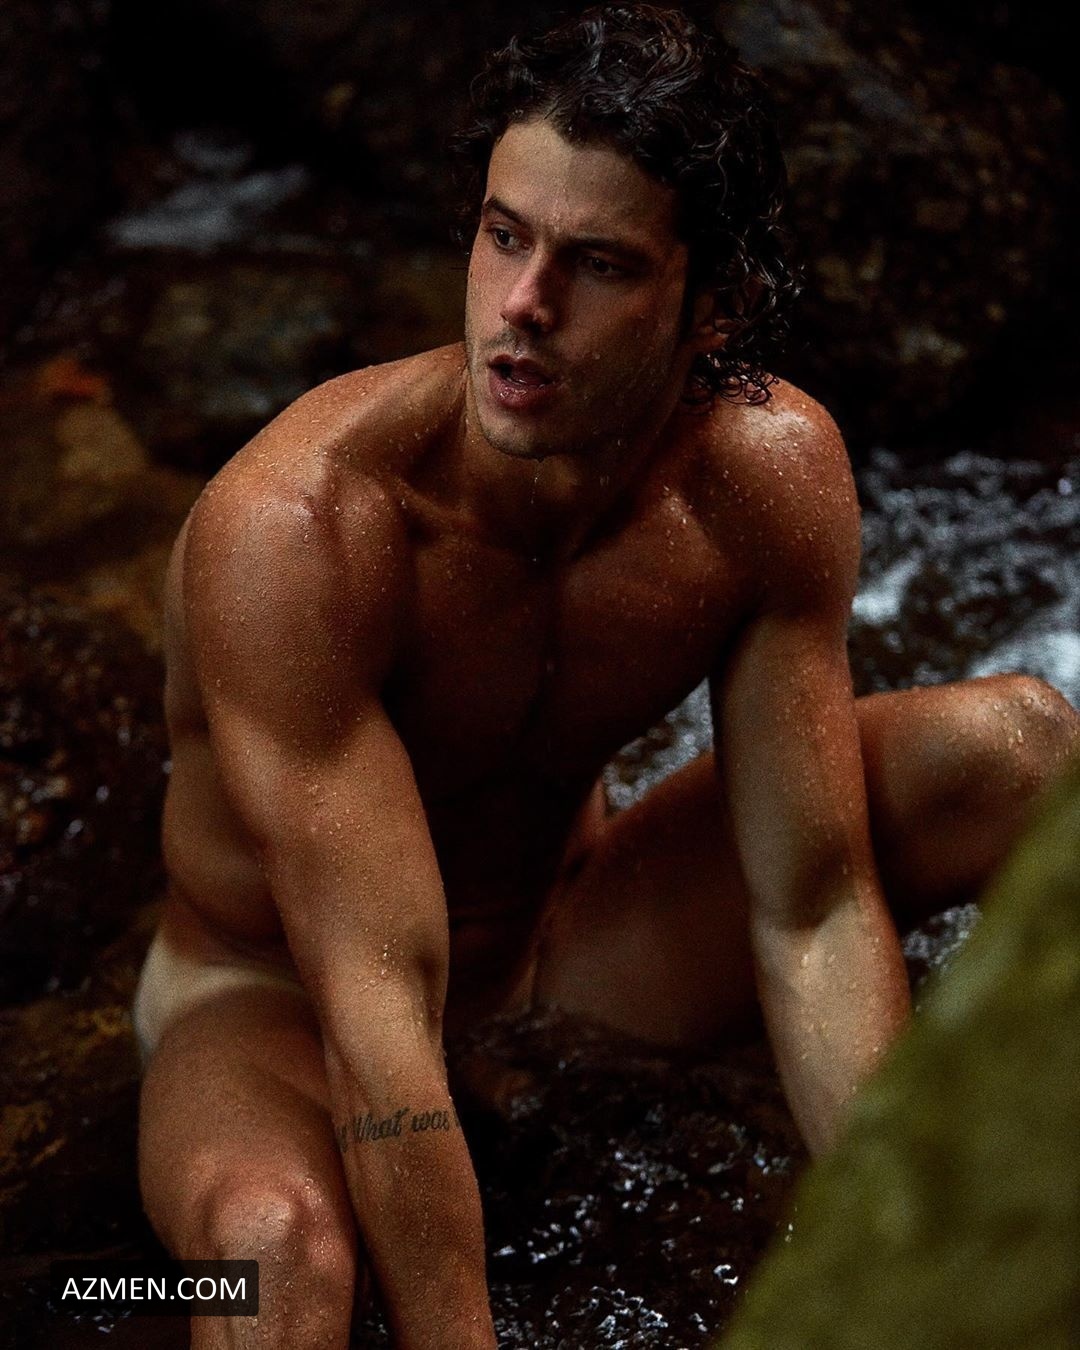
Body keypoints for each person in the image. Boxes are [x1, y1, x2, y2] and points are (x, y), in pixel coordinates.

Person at [132, 6, 1080, 1348]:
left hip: (557, 957)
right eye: (503, 236)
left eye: (598, 263)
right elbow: (377, 1018)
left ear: (716, 307)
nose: (524, 305)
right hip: (279, 999)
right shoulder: (304, 530)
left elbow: (810, 905)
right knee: (270, 1258)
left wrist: (903, 1277)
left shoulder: (763, 481)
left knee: (1024, 748)